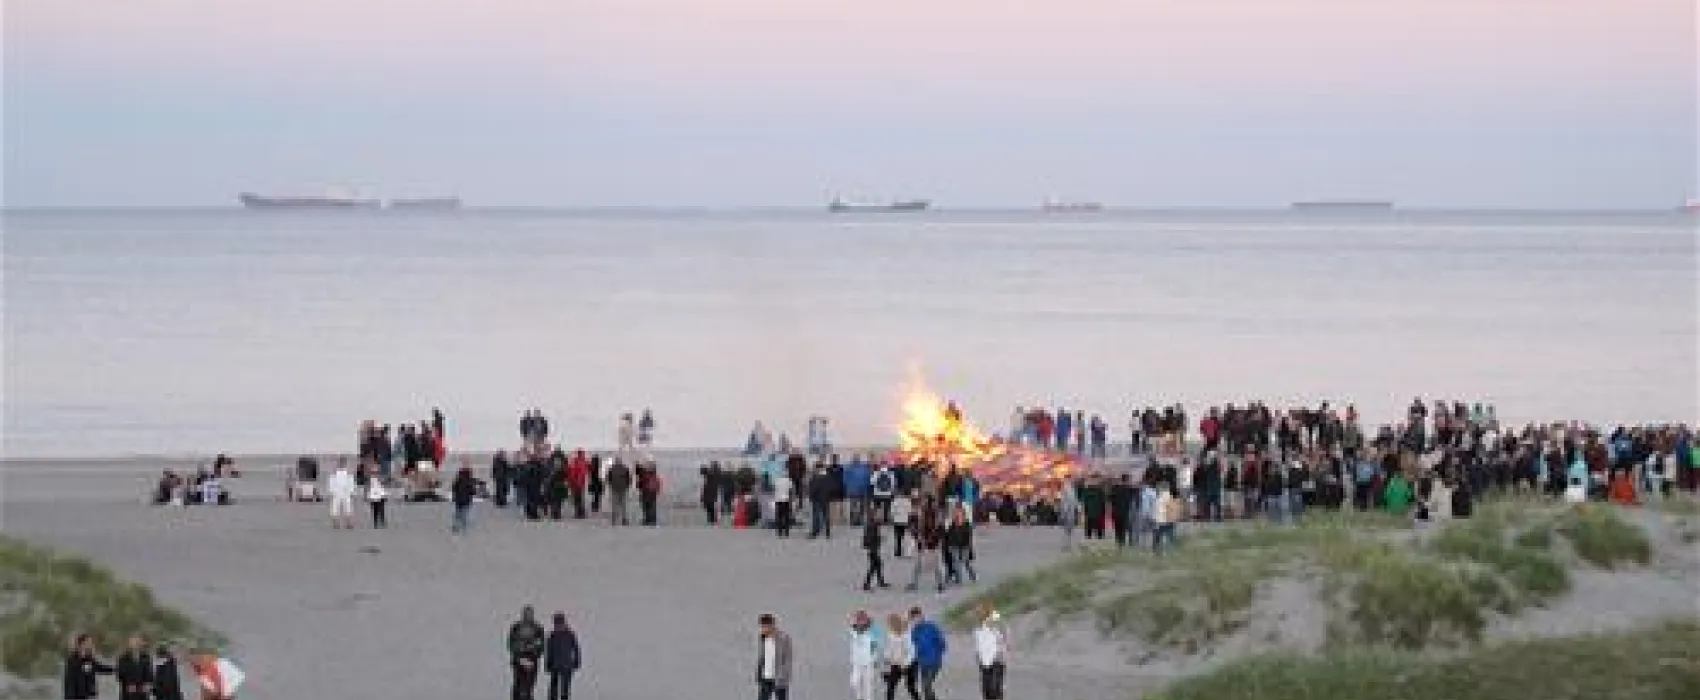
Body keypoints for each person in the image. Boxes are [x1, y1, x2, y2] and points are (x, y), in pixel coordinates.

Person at [508, 606, 546, 700]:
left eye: (529, 614)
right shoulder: (516, 627)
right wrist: (519, 651)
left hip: (532, 659)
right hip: (519, 659)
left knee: (529, 685)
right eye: (526, 614)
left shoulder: (537, 628)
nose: (528, 616)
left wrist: (534, 650)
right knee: (519, 683)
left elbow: (541, 644)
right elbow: (510, 644)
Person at [908, 607, 947, 700]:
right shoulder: (914, 632)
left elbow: (941, 642)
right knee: (926, 687)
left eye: (917, 617)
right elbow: (913, 647)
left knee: (926, 685)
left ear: (921, 616)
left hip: (934, 662)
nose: (916, 620)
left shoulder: (931, 627)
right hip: (923, 663)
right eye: (913, 619)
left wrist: (938, 654)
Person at [63, 634, 114, 700]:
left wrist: (114, 669)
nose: (91, 644)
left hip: (89, 696)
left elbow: (100, 668)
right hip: (76, 696)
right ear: (82, 644)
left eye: (91, 642)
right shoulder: (72, 660)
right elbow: (70, 681)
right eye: (89, 642)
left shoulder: (89, 659)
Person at [543, 612, 581, 700]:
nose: (558, 626)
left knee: (565, 687)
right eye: (556, 624)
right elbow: (549, 651)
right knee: (553, 686)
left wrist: (576, 661)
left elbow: (576, 648)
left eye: (560, 624)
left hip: (567, 665)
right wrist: (548, 663)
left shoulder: (570, 635)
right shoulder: (552, 636)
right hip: (554, 665)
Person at [973, 604, 1008, 700]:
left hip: (996, 662)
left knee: (995, 688)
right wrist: (978, 658)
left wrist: (1000, 655)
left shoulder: (996, 627)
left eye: (980, 614)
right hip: (984, 664)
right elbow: (979, 646)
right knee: (986, 690)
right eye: (977, 614)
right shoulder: (978, 630)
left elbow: (1002, 640)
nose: (978, 616)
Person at [754, 613, 793, 700]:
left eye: (766, 626)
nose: (764, 629)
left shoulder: (783, 638)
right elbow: (763, 656)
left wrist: (782, 677)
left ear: (772, 625)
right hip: (766, 677)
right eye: (762, 626)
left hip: (779, 678)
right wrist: (759, 672)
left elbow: (787, 659)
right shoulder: (763, 638)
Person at [881, 613, 918, 700]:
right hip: (896, 663)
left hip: (910, 664)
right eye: (890, 624)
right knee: (891, 686)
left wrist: (905, 664)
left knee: (910, 686)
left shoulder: (907, 636)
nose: (890, 626)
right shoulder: (891, 635)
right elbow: (890, 648)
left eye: (891, 624)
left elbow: (912, 652)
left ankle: (917, 698)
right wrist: (887, 657)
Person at [848, 611, 881, 700]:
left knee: (868, 684)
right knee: (855, 682)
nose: (860, 624)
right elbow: (850, 621)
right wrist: (854, 617)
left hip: (868, 662)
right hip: (857, 662)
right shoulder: (853, 631)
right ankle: (859, 697)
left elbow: (874, 647)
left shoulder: (871, 634)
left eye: (862, 621)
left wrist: (874, 659)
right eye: (859, 621)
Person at [116, 635, 154, 700]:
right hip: (128, 691)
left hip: (142, 691)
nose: (135, 644)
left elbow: (149, 672)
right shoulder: (123, 658)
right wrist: (129, 683)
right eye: (133, 642)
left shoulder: (146, 657)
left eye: (137, 642)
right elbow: (120, 674)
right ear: (129, 644)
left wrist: (148, 683)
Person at [861, 514, 889, 591]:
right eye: (879, 517)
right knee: (873, 566)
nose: (881, 518)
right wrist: (870, 547)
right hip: (872, 549)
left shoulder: (875, 525)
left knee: (878, 564)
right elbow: (868, 538)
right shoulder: (872, 526)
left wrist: (879, 539)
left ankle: (879, 581)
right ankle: (867, 584)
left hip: (874, 548)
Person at [327, 460, 357, 529]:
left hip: (344, 492)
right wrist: (332, 492)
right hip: (338, 492)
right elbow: (331, 483)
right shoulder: (335, 474)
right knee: (337, 508)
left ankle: (348, 523)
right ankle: (336, 523)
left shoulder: (347, 474)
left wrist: (351, 492)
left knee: (346, 508)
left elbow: (351, 483)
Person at [451, 465, 477, 534]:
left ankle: (456, 525)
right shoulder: (469, 482)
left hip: (458, 500)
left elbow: (453, 488)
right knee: (464, 513)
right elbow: (473, 491)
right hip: (466, 500)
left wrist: (455, 496)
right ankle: (463, 526)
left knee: (458, 513)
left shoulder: (458, 480)